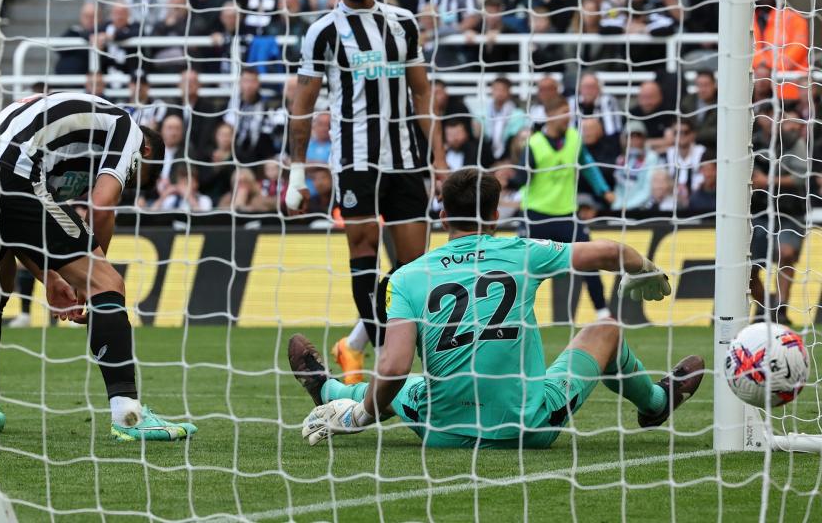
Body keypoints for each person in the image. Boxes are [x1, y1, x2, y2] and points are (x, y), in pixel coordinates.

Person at [289, 168, 704, 448]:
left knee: (407, 384)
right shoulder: (523, 251)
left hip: (441, 428)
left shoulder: (407, 276)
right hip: (527, 426)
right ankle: (654, 402)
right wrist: (647, 269)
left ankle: (328, 389)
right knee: (606, 331)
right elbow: (611, 251)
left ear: (442, 214)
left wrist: (363, 417)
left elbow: (394, 366)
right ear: (495, 214)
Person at [0, 92, 196, 441]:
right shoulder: (127, 129)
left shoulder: (71, 144)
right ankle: (128, 414)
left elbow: (21, 225)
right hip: (9, 171)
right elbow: (102, 203)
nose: (127, 180)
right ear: (146, 153)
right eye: (135, 176)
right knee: (107, 283)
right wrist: (87, 280)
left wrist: (48, 274)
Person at [286, 0, 447, 384]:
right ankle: (387, 362)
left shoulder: (403, 24)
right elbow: (302, 104)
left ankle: (363, 344)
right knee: (363, 252)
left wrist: (439, 158)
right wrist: (296, 173)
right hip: (355, 160)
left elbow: (422, 91)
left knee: (415, 268)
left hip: (405, 159)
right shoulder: (323, 31)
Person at [509, 98, 615, 321]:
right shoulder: (534, 144)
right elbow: (521, 178)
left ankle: (603, 314)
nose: (568, 118)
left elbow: (588, 166)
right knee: (523, 269)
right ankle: (512, 314)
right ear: (550, 116)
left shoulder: (575, 139)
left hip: (567, 214)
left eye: (569, 113)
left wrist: (603, 190)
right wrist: (503, 183)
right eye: (564, 113)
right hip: (536, 215)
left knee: (590, 260)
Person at [750, 115, 810, 326]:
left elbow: (801, 177)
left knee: (786, 252)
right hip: (759, 211)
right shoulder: (751, 141)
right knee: (747, 267)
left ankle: (782, 307)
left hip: (789, 211)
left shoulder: (794, 142)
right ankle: (766, 305)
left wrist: (768, 181)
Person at [612, 121, 661, 211]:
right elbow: (619, 188)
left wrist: (626, 206)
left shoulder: (651, 157)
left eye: (638, 136)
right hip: (621, 208)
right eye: (630, 137)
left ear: (644, 138)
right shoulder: (621, 159)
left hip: (643, 208)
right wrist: (617, 206)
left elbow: (647, 190)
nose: (634, 141)